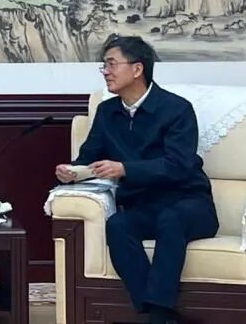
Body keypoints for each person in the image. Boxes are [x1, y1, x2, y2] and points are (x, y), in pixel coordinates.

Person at [55, 34, 217, 324]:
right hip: (143, 207)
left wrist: (126, 169)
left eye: (111, 64)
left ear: (137, 69)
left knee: (171, 219)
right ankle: (157, 314)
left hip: (189, 204)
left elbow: (179, 166)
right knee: (118, 225)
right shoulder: (107, 112)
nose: (105, 71)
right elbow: (88, 157)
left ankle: (157, 315)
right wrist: (71, 172)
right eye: (104, 65)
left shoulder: (176, 109)